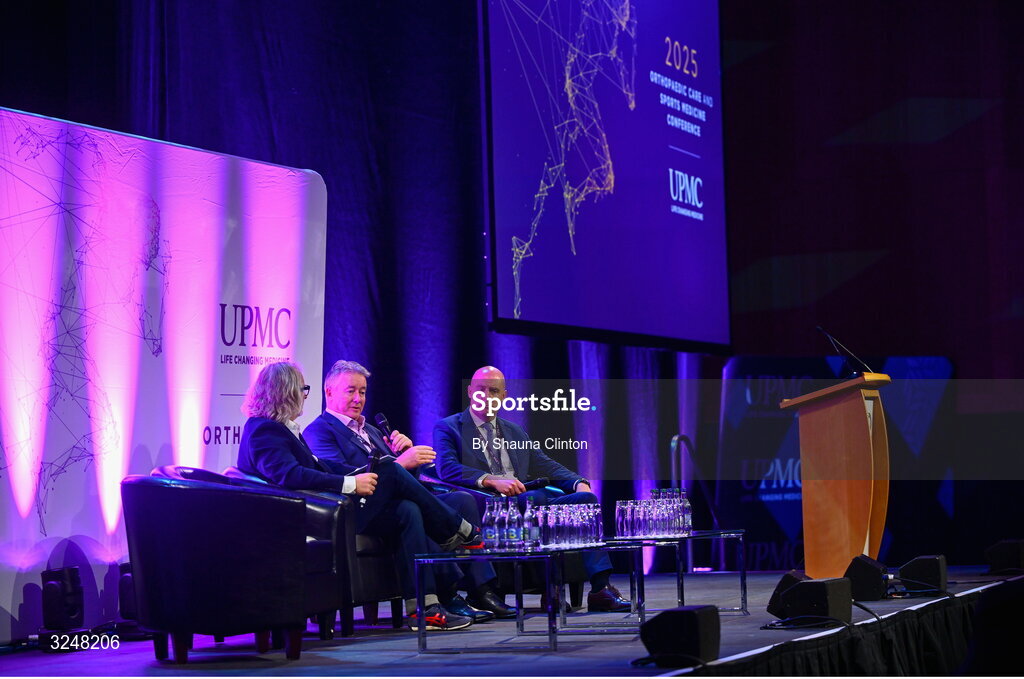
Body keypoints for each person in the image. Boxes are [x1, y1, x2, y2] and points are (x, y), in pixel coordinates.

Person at [237, 361, 480, 631]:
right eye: (302, 389)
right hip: (316, 517)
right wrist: (351, 483)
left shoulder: (281, 428)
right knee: (389, 467)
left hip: (329, 509)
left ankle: (425, 608)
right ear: (285, 391)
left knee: (406, 510)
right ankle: (457, 529)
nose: (305, 395)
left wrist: (362, 473)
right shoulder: (264, 430)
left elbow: (320, 466)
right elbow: (290, 476)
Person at [304, 360, 515, 620]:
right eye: (351, 391)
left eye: (363, 391)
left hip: (390, 503)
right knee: (411, 507)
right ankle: (449, 587)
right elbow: (343, 476)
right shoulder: (319, 431)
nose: (358, 398)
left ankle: (480, 590)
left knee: (461, 500)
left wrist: (404, 457)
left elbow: (403, 481)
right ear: (329, 392)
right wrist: (400, 463)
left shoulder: (370, 429)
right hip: (354, 509)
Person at [433, 365, 631, 613]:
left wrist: (576, 481)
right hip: (490, 506)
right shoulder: (449, 427)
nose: (487, 396)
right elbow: (446, 468)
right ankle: (552, 590)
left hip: (527, 500)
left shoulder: (515, 431)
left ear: (503, 396)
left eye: (493, 391)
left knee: (585, 499)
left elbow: (543, 463)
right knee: (536, 499)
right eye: (481, 389)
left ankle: (600, 588)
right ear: (470, 391)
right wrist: (491, 479)